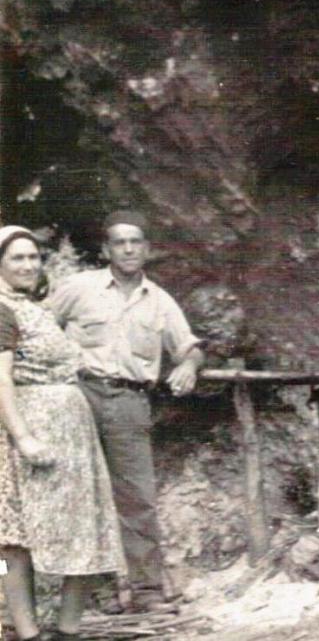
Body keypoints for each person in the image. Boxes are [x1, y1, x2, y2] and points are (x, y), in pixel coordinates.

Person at [50, 210, 205, 612]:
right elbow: (39, 327)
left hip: (129, 402)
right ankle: (98, 592)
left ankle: (147, 592)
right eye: (120, 242)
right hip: (78, 397)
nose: (129, 249)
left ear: (147, 249)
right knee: (82, 494)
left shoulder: (160, 301)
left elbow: (189, 347)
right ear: (106, 249)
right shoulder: (79, 288)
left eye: (136, 242)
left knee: (137, 498)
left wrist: (189, 366)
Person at [0, 225, 125, 640]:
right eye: (17, 258)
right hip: (30, 429)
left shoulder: (35, 308)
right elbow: (0, 379)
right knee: (13, 539)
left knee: (84, 527)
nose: (28, 265)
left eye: (33, 257)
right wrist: (23, 437)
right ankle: (29, 633)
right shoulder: (1, 309)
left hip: (70, 431)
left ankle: (68, 629)